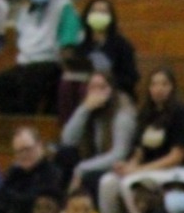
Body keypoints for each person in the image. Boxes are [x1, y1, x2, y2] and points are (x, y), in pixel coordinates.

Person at [96, 67, 184, 213]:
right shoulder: (146, 113)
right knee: (107, 182)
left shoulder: (181, 113)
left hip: (175, 171)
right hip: (148, 170)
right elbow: (139, 150)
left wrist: (139, 170)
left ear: (172, 88)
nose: (159, 88)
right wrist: (129, 166)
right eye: (154, 84)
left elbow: (176, 156)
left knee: (130, 184)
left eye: (164, 84)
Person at [0, 0, 80, 115]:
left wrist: (67, 69)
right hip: (25, 63)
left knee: (30, 85)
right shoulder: (26, 10)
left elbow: (68, 41)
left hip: (49, 62)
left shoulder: (63, 7)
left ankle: (26, 117)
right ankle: (17, 117)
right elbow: (20, 36)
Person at [57, 69, 137, 199]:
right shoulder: (88, 110)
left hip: (116, 166)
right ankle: (63, 203)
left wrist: (82, 168)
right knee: (64, 154)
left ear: (112, 90)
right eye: (92, 87)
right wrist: (84, 109)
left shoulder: (123, 114)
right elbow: (67, 140)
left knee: (90, 178)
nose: (97, 92)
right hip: (92, 158)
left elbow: (119, 154)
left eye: (102, 87)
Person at [58, 0, 138, 120]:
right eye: (94, 11)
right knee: (66, 85)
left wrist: (106, 83)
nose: (98, 15)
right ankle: (68, 124)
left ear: (111, 17)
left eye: (103, 12)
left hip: (113, 90)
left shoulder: (122, 45)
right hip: (86, 87)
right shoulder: (81, 46)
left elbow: (130, 77)